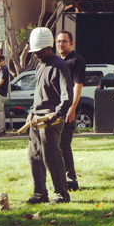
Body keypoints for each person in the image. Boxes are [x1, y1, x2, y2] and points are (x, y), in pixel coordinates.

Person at [25, 27, 73, 204]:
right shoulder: (39, 66)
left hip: (51, 120)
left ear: (47, 47)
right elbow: (39, 93)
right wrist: (31, 111)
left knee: (51, 156)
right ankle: (39, 194)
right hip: (36, 119)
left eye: (38, 51)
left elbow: (67, 95)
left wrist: (57, 113)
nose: (35, 54)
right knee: (34, 156)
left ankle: (61, 194)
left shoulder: (59, 66)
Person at [55, 31, 85, 191]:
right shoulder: (56, 61)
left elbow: (77, 85)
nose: (61, 44)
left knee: (64, 145)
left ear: (71, 43)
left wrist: (72, 108)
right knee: (56, 146)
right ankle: (60, 180)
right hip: (55, 110)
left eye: (64, 41)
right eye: (59, 41)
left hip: (69, 110)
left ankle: (71, 181)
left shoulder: (76, 60)